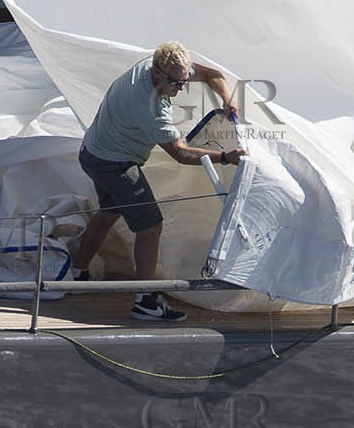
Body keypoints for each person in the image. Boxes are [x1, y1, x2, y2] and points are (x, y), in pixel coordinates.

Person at [71, 42, 247, 321]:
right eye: (175, 83)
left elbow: (213, 75)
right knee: (151, 226)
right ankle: (146, 300)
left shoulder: (160, 64)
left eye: (184, 80)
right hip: (113, 164)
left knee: (108, 213)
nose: (180, 88)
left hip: (92, 151)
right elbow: (180, 153)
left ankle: (77, 274)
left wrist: (228, 99)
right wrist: (226, 157)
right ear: (156, 72)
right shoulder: (150, 108)